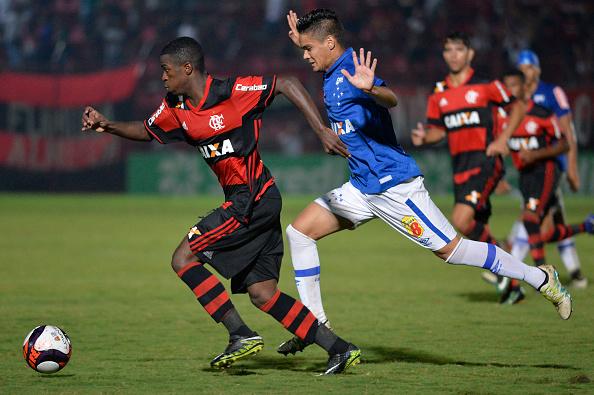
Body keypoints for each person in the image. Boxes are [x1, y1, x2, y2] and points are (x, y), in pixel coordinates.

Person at [277, 8, 572, 356]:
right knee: (299, 232)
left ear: (330, 43)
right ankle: (317, 324)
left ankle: (541, 278)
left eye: (310, 49)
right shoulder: (327, 67)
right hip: (361, 188)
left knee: (454, 251)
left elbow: (390, 98)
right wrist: (301, 40)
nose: (306, 55)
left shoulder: (355, 69)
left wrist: (372, 89)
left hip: (394, 187)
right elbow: (316, 51)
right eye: (303, 50)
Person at [81, 36, 360, 375]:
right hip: (257, 200)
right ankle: (339, 348)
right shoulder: (175, 108)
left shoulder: (233, 92)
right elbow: (146, 129)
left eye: (166, 71)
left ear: (188, 68)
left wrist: (320, 130)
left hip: (251, 200)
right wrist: (106, 125)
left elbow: (287, 83)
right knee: (263, 293)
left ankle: (239, 334)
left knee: (183, 258)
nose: (163, 77)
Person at [412, 31, 529, 304]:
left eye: (459, 49)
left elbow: (519, 106)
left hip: (485, 161)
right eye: (448, 50)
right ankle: (512, 282)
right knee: (475, 228)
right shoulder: (439, 93)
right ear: (444, 55)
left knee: (461, 220)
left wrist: (502, 140)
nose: (454, 55)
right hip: (460, 168)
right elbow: (437, 132)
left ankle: (509, 274)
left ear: (470, 54)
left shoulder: (486, 86)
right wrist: (423, 138)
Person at [505, 50, 590, 288]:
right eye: (521, 67)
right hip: (531, 169)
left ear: (538, 69)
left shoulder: (552, 92)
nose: (525, 71)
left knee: (530, 217)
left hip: (551, 167)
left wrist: (572, 168)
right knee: (546, 225)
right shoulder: (518, 97)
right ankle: (576, 273)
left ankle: (513, 274)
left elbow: (567, 132)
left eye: (529, 66)